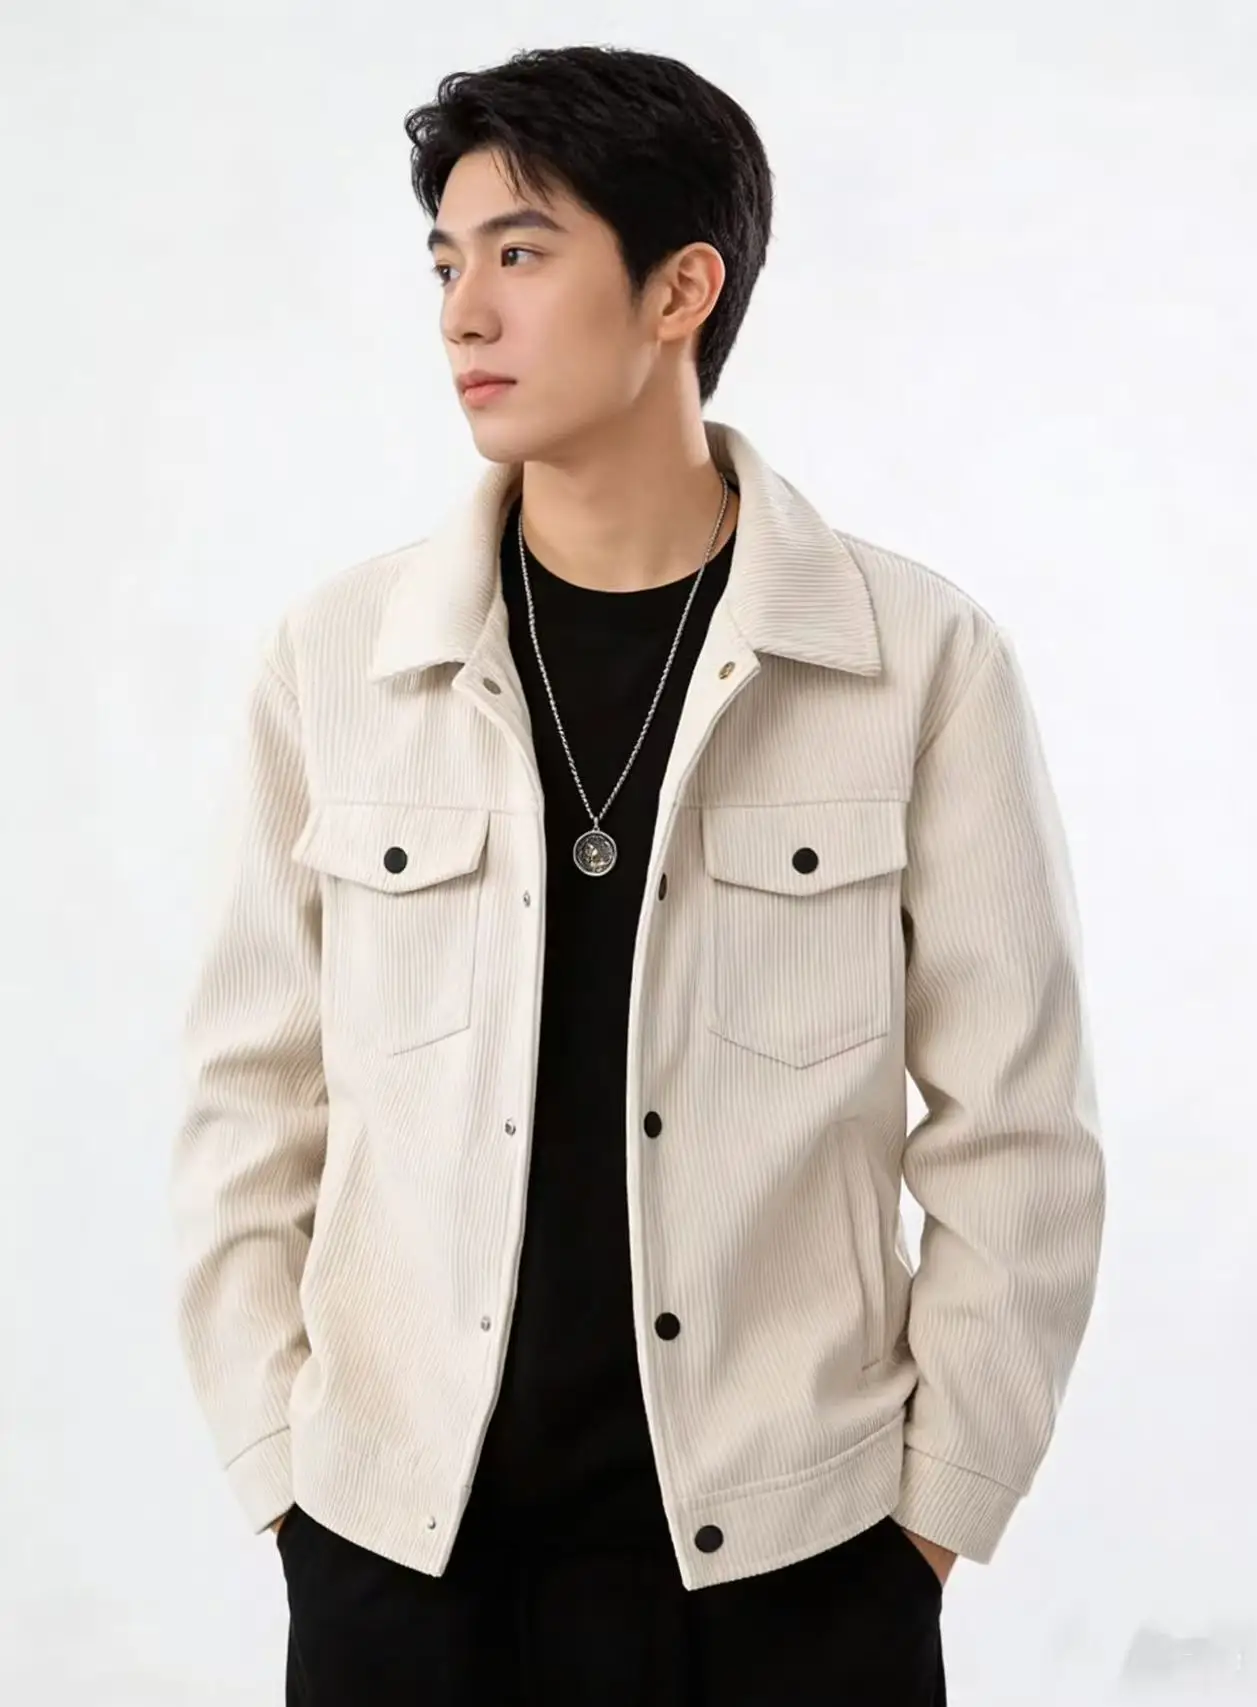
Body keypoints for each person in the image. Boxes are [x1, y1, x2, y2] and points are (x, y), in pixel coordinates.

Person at [170, 42, 1105, 1707]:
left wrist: (930, 1521)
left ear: (682, 288)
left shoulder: (915, 660)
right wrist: (284, 1476)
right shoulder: (338, 661)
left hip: (796, 1573)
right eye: (446, 264)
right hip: (401, 1568)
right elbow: (250, 1102)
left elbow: (1017, 1127)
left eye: (521, 253)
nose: (464, 314)